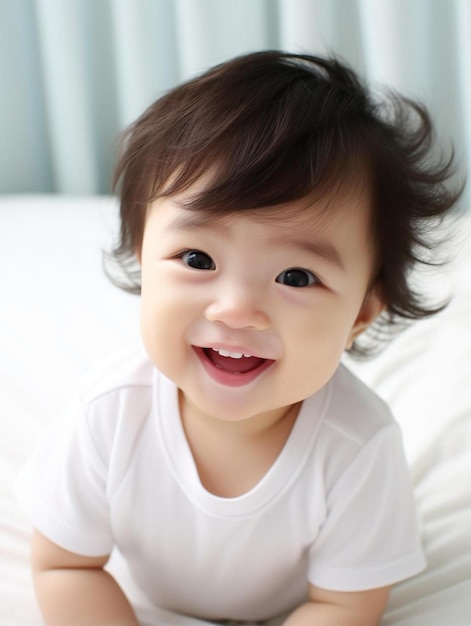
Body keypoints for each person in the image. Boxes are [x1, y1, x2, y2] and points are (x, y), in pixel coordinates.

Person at [18, 51, 461, 626]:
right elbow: (65, 567)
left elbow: (344, 605)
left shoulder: (357, 446)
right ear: (143, 263)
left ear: (361, 315)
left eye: (296, 277)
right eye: (197, 258)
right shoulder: (110, 413)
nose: (235, 310)